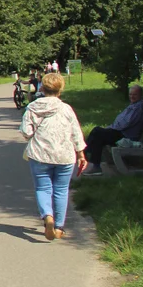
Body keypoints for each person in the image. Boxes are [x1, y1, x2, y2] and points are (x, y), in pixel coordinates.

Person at [19, 73, 86, 240]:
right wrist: (81, 154)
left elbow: (26, 133)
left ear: (42, 88)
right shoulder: (66, 109)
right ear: (60, 89)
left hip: (40, 154)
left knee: (43, 188)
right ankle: (59, 227)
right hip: (65, 156)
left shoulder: (33, 108)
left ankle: (47, 216)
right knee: (61, 191)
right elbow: (76, 133)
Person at [81, 85, 143, 174]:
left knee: (99, 134)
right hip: (122, 133)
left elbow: (125, 123)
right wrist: (110, 127)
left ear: (141, 95)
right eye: (130, 94)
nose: (132, 96)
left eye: (135, 95)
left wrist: (111, 127)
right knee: (97, 131)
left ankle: (93, 163)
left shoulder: (138, 108)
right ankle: (86, 154)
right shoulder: (135, 105)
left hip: (126, 137)